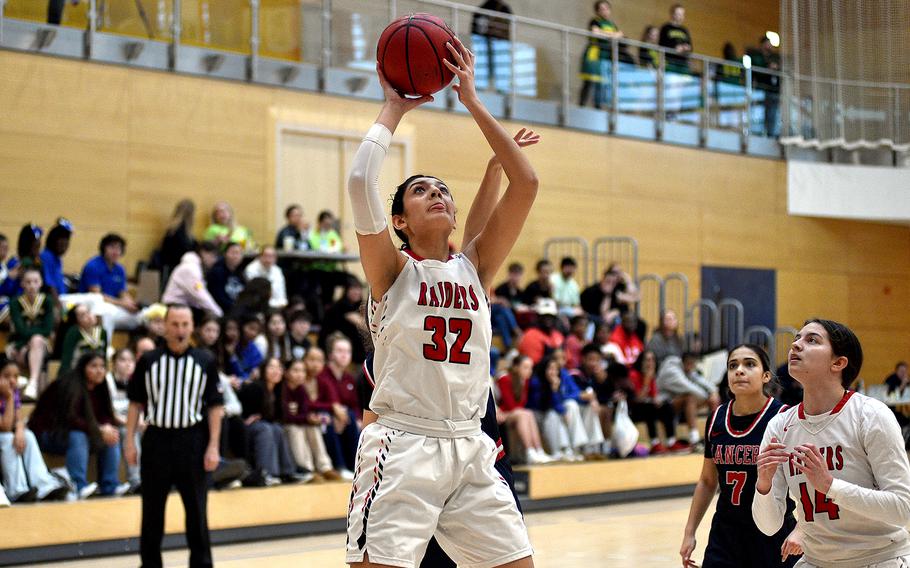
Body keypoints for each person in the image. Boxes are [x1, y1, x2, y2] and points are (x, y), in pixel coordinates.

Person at [345, 38, 536, 567]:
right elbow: (362, 181)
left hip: (471, 447)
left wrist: (472, 99)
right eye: (422, 190)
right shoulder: (392, 271)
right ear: (399, 221)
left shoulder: (474, 268)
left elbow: (527, 181)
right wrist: (394, 107)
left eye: (443, 190)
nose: (438, 195)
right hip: (403, 444)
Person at [754, 319, 910, 567]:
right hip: (817, 560)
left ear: (838, 363)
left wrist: (830, 486)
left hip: (881, 558)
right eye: (796, 339)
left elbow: (903, 508)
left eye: (811, 340)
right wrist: (763, 486)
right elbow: (769, 527)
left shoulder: (870, 415)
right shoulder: (780, 426)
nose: (796, 346)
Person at [681, 344, 801, 567]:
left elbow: (806, 484)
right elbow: (707, 481)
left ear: (766, 376)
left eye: (749, 364)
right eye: (732, 365)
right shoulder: (716, 417)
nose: (739, 370)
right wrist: (690, 532)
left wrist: (802, 529)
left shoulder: (784, 418)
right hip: (726, 533)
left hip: (772, 532)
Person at [125, 304, 224, 568]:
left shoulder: (205, 361)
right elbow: (135, 404)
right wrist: (129, 442)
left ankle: (201, 564)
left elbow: (216, 407)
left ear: (192, 327)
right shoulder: (148, 361)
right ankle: (150, 564)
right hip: (156, 440)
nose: (180, 330)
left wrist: (213, 446)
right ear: (165, 326)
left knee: (196, 511)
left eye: (185, 324)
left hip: (192, 441)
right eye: (175, 324)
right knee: (152, 512)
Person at [30, 352, 125, 499]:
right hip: (48, 434)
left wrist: (106, 428)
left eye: (102, 366)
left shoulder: (101, 386)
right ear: (83, 368)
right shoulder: (68, 384)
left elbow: (106, 415)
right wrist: (99, 429)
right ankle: (78, 485)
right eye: (94, 366)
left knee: (111, 434)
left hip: (81, 433)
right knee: (78, 435)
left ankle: (110, 485)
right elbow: (69, 420)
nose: (99, 370)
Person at [0, 355, 69, 503]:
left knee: (28, 435)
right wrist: (10, 398)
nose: (12, 380)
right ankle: (16, 489)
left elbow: (18, 420)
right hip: (2, 436)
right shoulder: (9, 395)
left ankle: (44, 485)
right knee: (7, 439)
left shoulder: (13, 392)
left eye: (16, 376)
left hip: (7, 434)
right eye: (6, 376)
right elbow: (5, 427)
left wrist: (19, 431)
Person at [238, 358, 305, 486]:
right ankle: (266, 473)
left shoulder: (278, 390)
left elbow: (278, 418)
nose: (276, 371)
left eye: (279, 367)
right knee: (266, 428)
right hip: (247, 428)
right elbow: (244, 414)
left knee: (277, 428)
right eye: (271, 367)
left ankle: (287, 472)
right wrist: (246, 419)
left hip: (264, 425)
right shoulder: (255, 387)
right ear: (263, 370)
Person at [281, 358, 340, 482]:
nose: (300, 374)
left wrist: (313, 418)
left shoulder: (301, 389)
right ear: (286, 373)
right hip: (284, 425)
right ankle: (306, 469)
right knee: (295, 429)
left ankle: (324, 467)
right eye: (295, 370)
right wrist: (307, 418)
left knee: (312, 427)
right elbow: (286, 417)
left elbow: (304, 411)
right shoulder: (282, 389)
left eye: (302, 371)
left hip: (298, 422)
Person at [300, 347, 356, 477]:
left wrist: (336, 412)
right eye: (311, 360)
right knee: (327, 418)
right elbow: (306, 404)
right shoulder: (299, 380)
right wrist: (331, 408)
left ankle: (355, 465)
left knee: (348, 415)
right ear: (304, 360)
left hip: (322, 416)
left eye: (319, 361)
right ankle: (339, 465)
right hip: (305, 418)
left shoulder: (322, 380)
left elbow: (334, 400)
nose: (315, 364)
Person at [78, 233, 142, 341]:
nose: (116, 251)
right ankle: (104, 350)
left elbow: (122, 292)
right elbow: (97, 296)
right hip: (93, 308)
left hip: (114, 307)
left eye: (119, 248)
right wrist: (123, 304)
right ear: (104, 248)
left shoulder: (120, 269)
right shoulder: (93, 266)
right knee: (106, 315)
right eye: (112, 247)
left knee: (144, 317)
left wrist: (131, 304)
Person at [497, 354, 554, 465]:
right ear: (516, 367)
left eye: (531, 368)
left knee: (528, 413)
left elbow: (522, 404)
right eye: (526, 367)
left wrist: (522, 384)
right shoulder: (504, 379)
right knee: (522, 413)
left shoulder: (525, 381)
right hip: (504, 414)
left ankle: (539, 450)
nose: (529, 371)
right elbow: (510, 404)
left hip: (515, 413)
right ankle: (529, 452)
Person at [8, 267, 55, 401]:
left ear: (41, 283)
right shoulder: (15, 302)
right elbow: (20, 329)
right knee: (35, 340)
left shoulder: (47, 301)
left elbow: (47, 329)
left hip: (40, 345)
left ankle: (32, 382)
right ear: (22, 284)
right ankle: (32, 385)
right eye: (28, 282)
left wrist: (30, 339)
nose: (32, 286)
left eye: (35, 281)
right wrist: (24, 343)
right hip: (19, 344)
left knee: (37, 340)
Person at [106, 348, 141, 492]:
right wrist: (133, 423)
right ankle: (135, 480)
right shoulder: (107, 381)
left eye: (131, 361)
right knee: (129, 432)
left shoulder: (137, 382)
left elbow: (142, 408)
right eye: (123, 360)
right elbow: (109, 413)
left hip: (133, 423)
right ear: (114, 364)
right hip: (114, 424)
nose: (127, 364)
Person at [579, 1, 626, 109]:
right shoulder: (595, 21)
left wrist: (606, 33)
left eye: (606, 8)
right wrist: (612, 35)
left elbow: (620, 35)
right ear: (597, 11)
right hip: (593, 54)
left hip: (605, 56)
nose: (604, 11)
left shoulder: (612, 24)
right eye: (601, 9)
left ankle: (598, 108)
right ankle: (581, 106)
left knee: (601, 84)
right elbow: (596, 33)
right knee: (589, 82)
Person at [162, 242, 223, 317]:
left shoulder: (196, 268)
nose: (214, 261)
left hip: (184, 306)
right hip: (175, 307)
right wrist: (218, 312)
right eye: (213, 256)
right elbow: (200, 294)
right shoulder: (190, 269)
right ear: (203, 253)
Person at [471, 0, 512, 92]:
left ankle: (502, 89)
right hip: (483, 42)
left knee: (500, 65)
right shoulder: (483, 7)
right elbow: (474, 28)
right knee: (482, 63)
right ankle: (480, 86)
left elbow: (509, 28)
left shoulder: (505, 9)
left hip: (499, 43)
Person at [58, 303, 108, 374]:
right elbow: (66, 360)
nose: (88, 316)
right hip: (78, 373)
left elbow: (104, 357)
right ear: (77, 321)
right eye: (82, 315)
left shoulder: (102, 332)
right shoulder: (74, 332)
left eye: (88, 312)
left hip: (97, 374)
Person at [748, 36, 781, 137]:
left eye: (770, 44)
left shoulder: (774, 58)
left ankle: (771, 132)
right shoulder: (757, 58)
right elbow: (756, 71)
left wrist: (775, 68)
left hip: (773, 90)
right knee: (762, 111)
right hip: (763, 89)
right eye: (767, 43)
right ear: (763, 45)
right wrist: (768, 67)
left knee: (773, 113)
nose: (769, 46)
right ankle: (760, 132)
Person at [518, 298, 564, 364]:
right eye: (544, 316)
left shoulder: (558, 335)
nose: (548, 319)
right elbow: (534, 365)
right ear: (538, 317)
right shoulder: (531, 335)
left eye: (550, 316)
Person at [206, 241, 246, 316]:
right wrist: (236, 308)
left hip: (237, 309)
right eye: (233, 253)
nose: (236, 256)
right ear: (225, 254)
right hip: (222, 310)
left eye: (239, 253)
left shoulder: (240, 272)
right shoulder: (217, 272)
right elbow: (218, 297)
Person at [160, 199, 197, 276]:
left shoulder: (172, 230)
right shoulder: (183, 232)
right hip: (179, 268)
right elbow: (186, 251)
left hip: (170, 267)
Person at [40, 218, 74, 297]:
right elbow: (50, 286)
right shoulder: (46, 257)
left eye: (66, 245)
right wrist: (60, 308)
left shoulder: (57, 259)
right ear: (53, 240)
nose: (65, 248)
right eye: (62, 244)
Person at [659, 4, 693, 73]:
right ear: (673, 14)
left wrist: (686, 48)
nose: (681, 16)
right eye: (678, 14)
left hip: (683, 63)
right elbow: (661, 44)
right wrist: (675, 48)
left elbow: (690, 46)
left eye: (682, 14)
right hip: (670, 61)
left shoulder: (684, 30)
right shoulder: (666, 27)